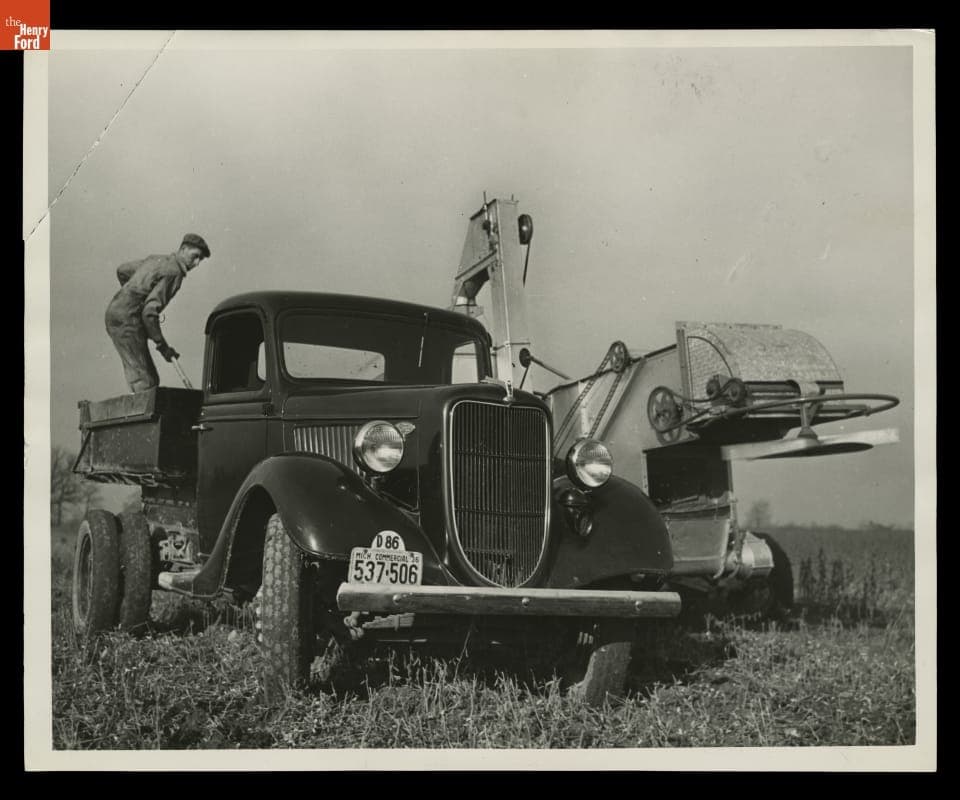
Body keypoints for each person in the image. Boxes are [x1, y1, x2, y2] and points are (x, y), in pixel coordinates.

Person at [104, 233, 211, 393]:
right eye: (195, 256)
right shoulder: (175, 272)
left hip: (114, 314)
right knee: (146, 381)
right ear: (183, 249)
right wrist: (162, 346)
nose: (196, 263)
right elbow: (149, 312)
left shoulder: (155, 260)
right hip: (127, 321)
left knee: (141, 375)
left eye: (200, 260)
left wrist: (130, 299)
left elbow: (123, 271)